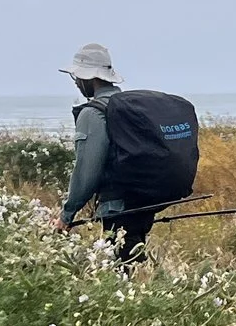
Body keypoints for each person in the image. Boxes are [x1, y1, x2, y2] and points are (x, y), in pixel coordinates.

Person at [56, 43, 200, 264]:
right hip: (145, 200)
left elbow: (86, 171)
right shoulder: (126, 107)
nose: (76, 82)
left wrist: (67, 215)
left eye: (77, 77)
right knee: (132, 257)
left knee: (120, 267)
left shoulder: (93, 114)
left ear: (89, 79)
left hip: (118, 205)